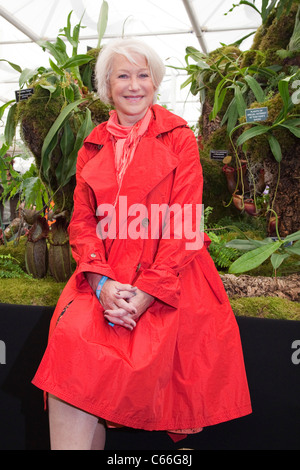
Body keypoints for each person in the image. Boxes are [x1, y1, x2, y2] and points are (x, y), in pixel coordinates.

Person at [32, 38, 252, 450]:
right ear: (106, 87)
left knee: (175, 371)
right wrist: (101, 284)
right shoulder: (92, 144)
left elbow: (184, 225)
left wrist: (147, 293)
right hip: (106, 273)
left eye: (143, 75)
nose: (134, 85)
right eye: (122, 75)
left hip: (170, 276)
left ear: (155, 82)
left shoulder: (180, 139)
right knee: (71, 349)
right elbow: (81, 223)